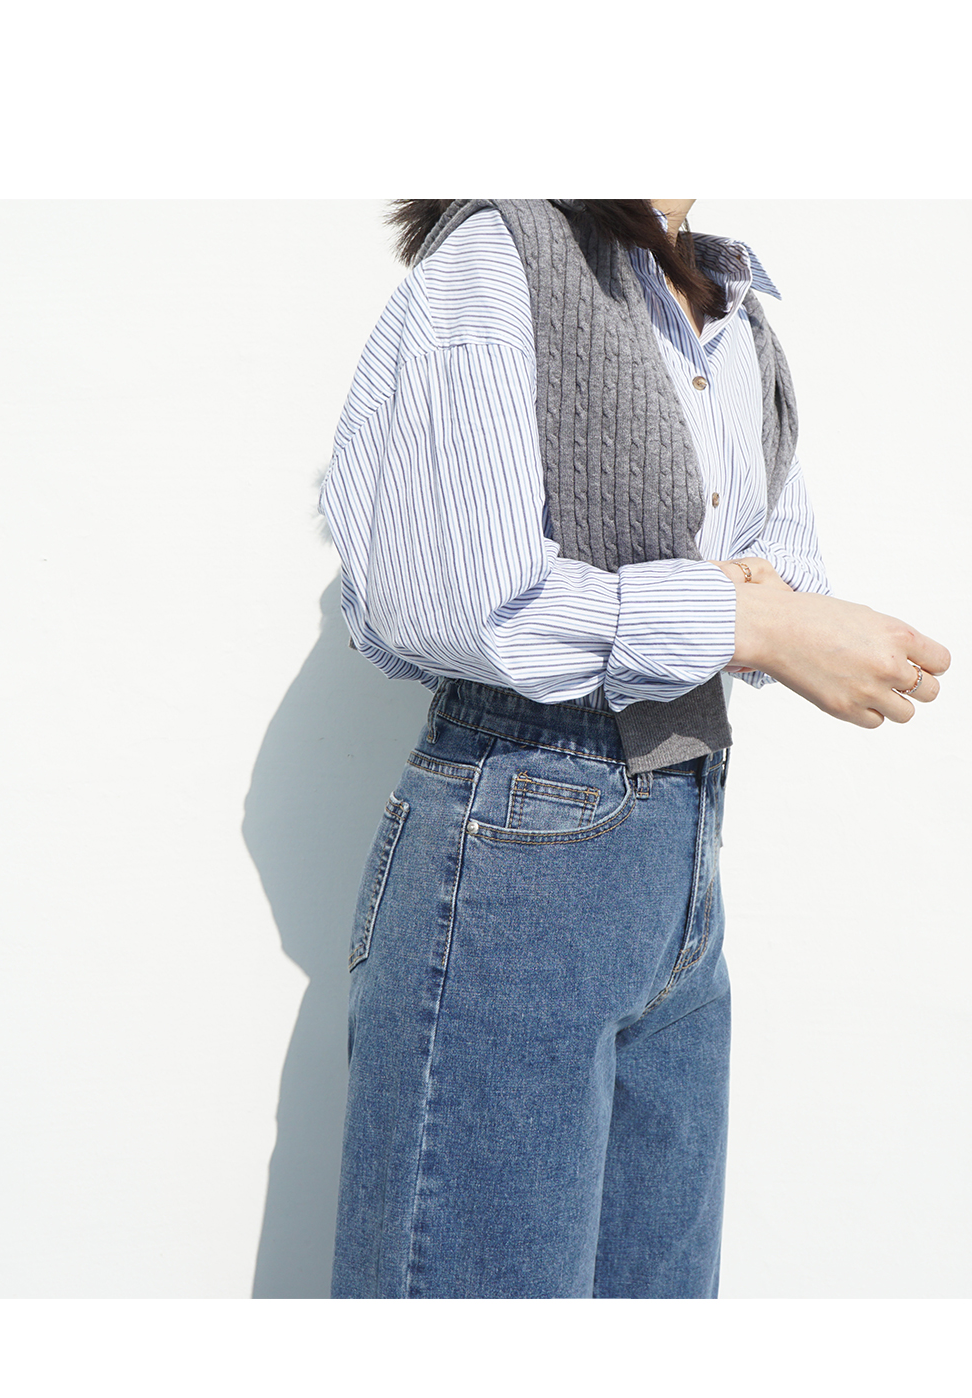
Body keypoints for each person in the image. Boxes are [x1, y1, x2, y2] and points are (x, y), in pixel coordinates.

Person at [322, 197, 950, 1300]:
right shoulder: (496, 257)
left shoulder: (732, 313)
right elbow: (452, 602)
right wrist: (739, 617)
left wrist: (759, 613)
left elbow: (778, 571)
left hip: (681, 848)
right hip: (519, 843)